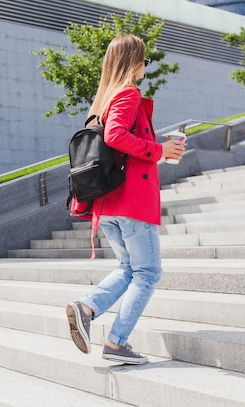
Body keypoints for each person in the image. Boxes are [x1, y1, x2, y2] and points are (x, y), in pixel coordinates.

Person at [65, 34, 186, 364]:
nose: (145, 67)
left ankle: (86, 309)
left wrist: (159, 151)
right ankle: (117, 343)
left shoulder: (103, 101)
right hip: (133, 202)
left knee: (128, 268)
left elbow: (114, 137)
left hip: (108, 204)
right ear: (133, 62)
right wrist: (161, 150)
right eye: (144, 61)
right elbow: (117, 136)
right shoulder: (128, 94)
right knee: (147, 273)